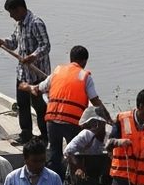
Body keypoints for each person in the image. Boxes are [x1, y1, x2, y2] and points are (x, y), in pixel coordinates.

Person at [19, 45, 109, 175]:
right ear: (84, 61)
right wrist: (108, 118)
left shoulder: (57, 71)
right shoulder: (85, 76)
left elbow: (38, 89)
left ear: (71, 58)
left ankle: (55, 182)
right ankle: (74, 184)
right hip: (72, 121)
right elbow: (95, 101)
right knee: (75, 154)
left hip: (52, 120)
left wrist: (26, 86)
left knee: (55, 153)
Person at [0, 0, 50, 147]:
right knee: (22, 105)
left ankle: (45, 136)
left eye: (12, 12)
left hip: (37, 74)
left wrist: (32, 57)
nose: (11, 16)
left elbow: (45, 46)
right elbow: (14, 43)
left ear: (20, 9)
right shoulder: (19, 24)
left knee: (40, 107)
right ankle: (26, 134)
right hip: (23, 74)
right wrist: (2, 42)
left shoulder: (36, 23)